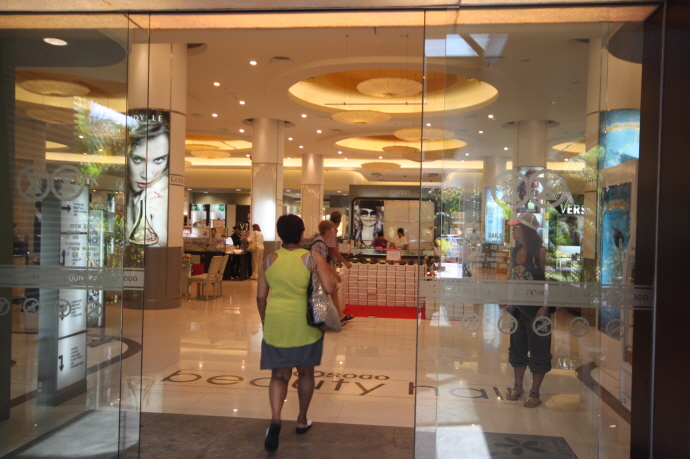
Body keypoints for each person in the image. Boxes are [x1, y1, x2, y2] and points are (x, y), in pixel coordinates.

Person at [256, 215, 336, 452]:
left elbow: (260, 296)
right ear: (302, 234)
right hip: (305, 323)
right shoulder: (312, 258)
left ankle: (276, 420)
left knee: (279, 376)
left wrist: (264, 319)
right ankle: (301, 420)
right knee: (305, 373)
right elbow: (330, 287)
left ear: (280, 234)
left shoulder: (269, 259)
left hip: (276, 321)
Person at [502, 212, 551, 408]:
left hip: (537, 311)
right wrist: (504, 296)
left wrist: (545, 307)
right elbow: (512, 276)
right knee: (517, 347)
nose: (513, 230)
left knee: (539, 349)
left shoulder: (541, 252)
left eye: (516, 227)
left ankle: (535, 391)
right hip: (517, 309)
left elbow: (550, 282)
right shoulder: (515, 251)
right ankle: (518, 385)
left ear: (526, 230)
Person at [126, 118, 169, 246]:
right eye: (137, 159)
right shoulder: (119, 192)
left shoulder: (169, 193)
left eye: (159, 160)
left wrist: (157, 225)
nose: (147, 175)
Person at [313, 220, 352, 324]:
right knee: (330, 290)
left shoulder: (319, 241)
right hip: (319, 273)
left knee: (329, 292)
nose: (332, 233)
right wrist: (335, 275)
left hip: (317, 272)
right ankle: (335, 317)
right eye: (331, 230)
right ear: (327, 231)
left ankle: (336, 316)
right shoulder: (321, 244)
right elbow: (324, 263)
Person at [325, 211, 353, 321]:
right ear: (340, 221)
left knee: (332, 289)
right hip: (327, 262)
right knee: (333, 288)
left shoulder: (329, 230)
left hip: (325, 262)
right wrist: (345, 262)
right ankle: (338, 316)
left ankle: (336, 315)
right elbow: (332, 249)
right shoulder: (332, 230)